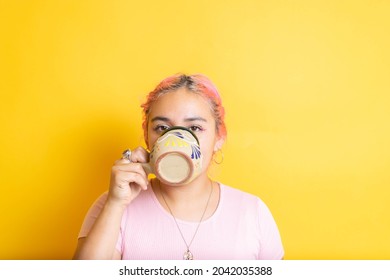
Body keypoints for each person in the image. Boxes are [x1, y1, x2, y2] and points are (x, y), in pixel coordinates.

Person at [73, 74, 284, 260]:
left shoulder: (252, 213)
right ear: (147, 136)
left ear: (219, 137)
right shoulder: (113, 207)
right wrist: (116, 204)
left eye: (194, 127)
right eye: (162, 128)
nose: (176, 140)